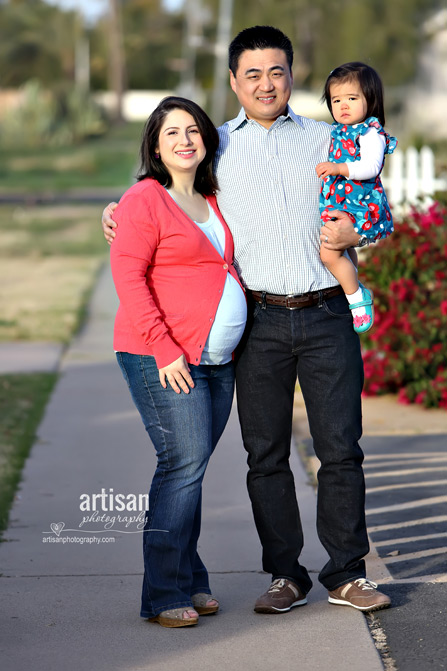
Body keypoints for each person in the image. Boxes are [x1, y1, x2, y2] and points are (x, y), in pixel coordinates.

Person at [103, 26, 391, 616]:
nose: (266, 83)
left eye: (277, 71)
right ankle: (285, 573)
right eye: (252, 73)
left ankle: (346, 572)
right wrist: (115, 208)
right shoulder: (218, 149)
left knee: (340, 448)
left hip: (326, 313)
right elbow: (163, 194)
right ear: (235, 81)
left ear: (292, 77)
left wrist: (356, 233)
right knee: (265, 455)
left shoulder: (330, 141)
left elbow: (378, 208)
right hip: (259, 323)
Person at [110, 96, 246, 628]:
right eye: (173, 133)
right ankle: (164, 593)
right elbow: (128, 277)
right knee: (182, 465)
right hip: (161, 353)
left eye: (193, 130)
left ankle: (190, 577)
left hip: (216, 358)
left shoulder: (214, 197)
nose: (185, 140)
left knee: (192, 468)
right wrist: (165, 348)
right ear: (156, 146)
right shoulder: (145, 197)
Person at [316, 62, 397, 334]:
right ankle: (351, 287)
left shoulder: (370, 132)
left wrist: (339, 168)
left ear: (370, 99)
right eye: (336, 100)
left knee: (328, 254)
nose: (343, 106)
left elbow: (372, 166)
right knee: (344, 251)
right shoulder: (338, 130)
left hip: (360, 203)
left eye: (352, 98)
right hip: (343, 204)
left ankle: (356, 297)